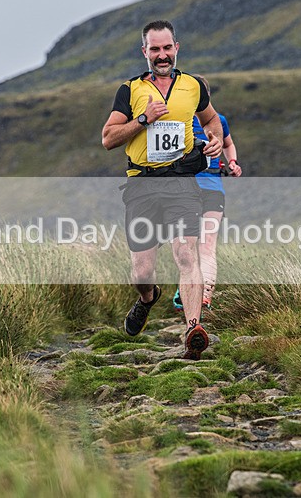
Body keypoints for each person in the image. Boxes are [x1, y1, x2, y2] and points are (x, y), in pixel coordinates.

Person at [101, 20, 223, 360]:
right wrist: (142, 120)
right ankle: (148, 297)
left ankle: (193, 329)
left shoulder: (193, 86)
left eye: (167, 48)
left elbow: (212, 120)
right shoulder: (130, 91)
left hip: (182, 181)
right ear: (145, 52)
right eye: (155, 49)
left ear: (176, 48)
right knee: (141, 272)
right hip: (142, 184)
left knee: (187, 254)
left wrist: (213, 140)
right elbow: (108, 139)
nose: (162, 55)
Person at [173, 76, 242, 313]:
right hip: (185, 190)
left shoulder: (218, 120)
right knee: (189, 244)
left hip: (211, 188)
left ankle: (204, 297)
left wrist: (232, 162)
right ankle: (194, 289)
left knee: (206, 244)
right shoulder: (176, 120)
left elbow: (228, 143)